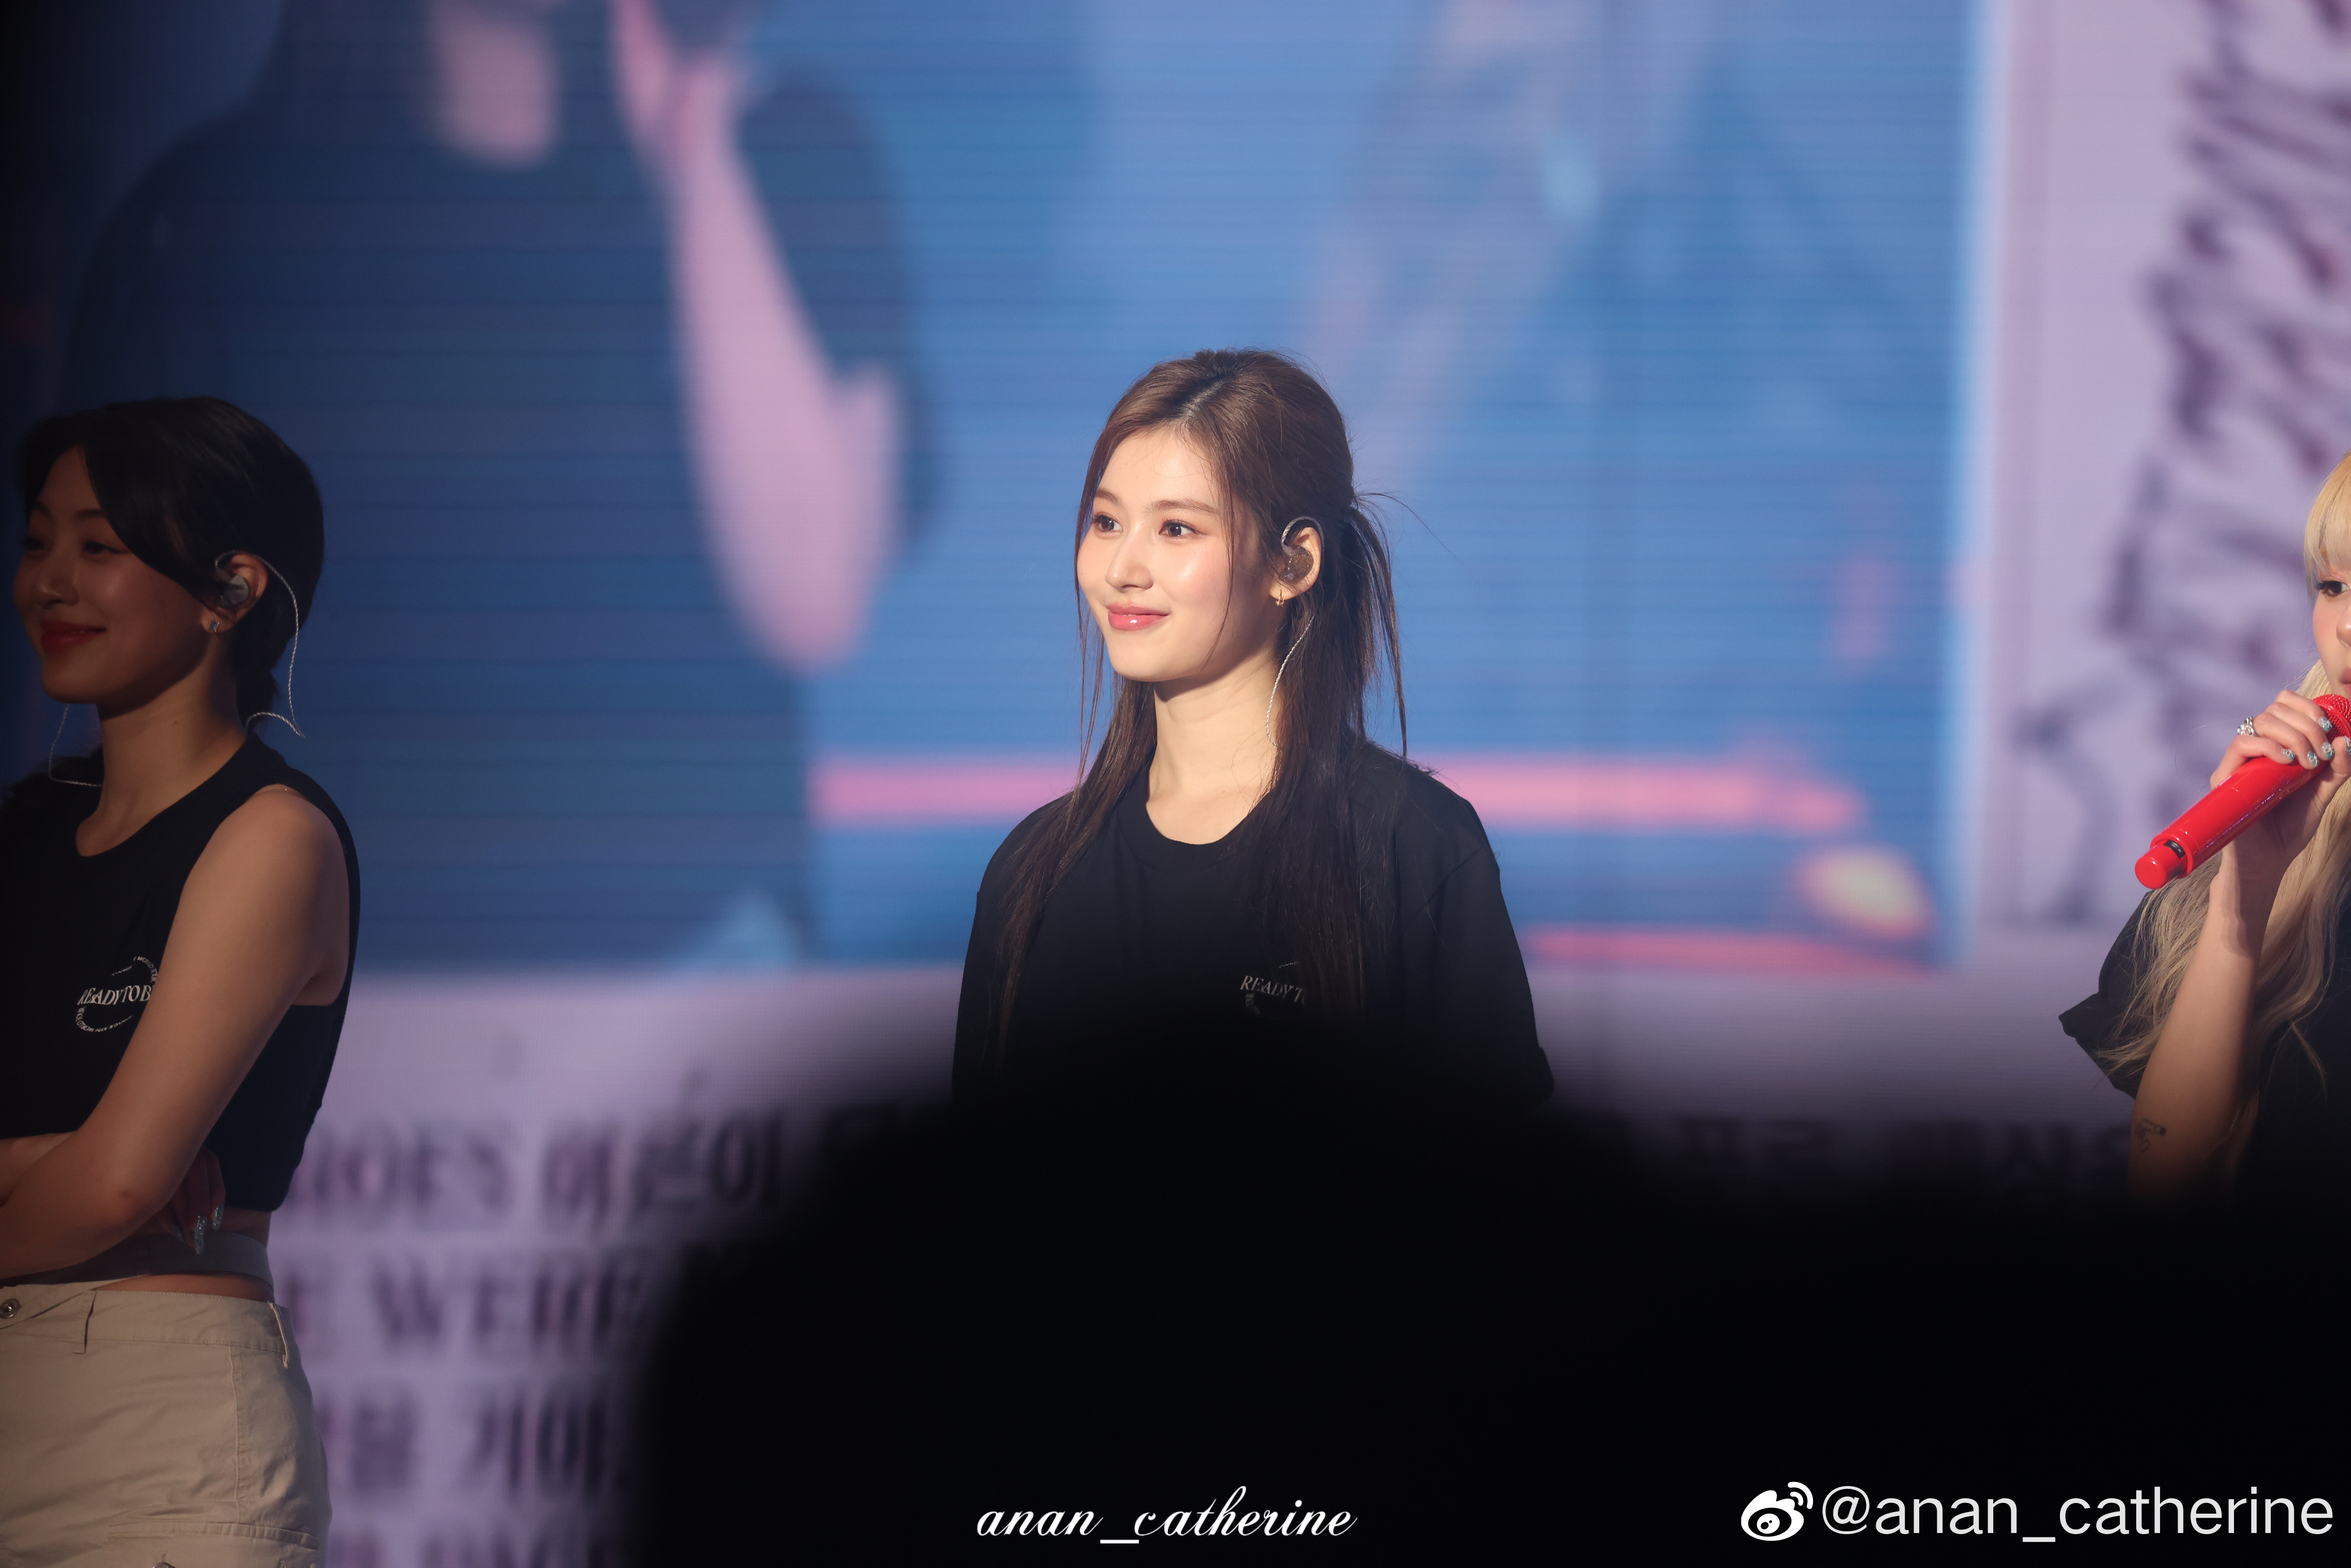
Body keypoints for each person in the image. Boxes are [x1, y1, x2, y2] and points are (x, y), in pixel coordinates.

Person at [59, 0, 926, 966]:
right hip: (320, 978)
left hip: (702, 975)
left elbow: (811, 599)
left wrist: (697, 134)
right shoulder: (209, 223)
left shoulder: (780, 155)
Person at [952, 348, 1551, 1115]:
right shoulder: (1030, 874)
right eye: (1107, 522)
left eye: (1176, 529)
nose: (1123, 568)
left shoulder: (1413, 847)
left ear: (1293, 563)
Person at [0, 398, 356, 1562]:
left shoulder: (271, 835)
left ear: (231, 590)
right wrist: (45, 1162)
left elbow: (118, 1185)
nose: (50, 581)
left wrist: (82, 1168)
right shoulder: (23, 835)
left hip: (148, 1432)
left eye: (99, 545)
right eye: (37, 540)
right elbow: (104, 1175)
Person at [2062, 450, 2351, 1209]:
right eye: (2333, 586)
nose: (2347, 626)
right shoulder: (2290, 831)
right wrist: (2242, 898)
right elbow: (2168, 1188)